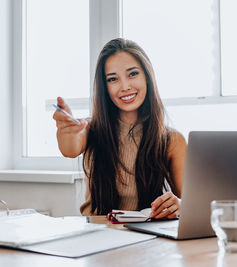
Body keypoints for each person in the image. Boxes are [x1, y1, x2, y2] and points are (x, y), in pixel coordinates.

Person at [53, 38, 186, 219]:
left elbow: (189, 202)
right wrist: (66, 130)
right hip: (96, 235)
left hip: (147, 237)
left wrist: (180, 205)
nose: (125, 87)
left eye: (132, 74)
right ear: (104, 87)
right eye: (113, 79)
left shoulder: (171, 139)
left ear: (147, 77)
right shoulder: (90, 128)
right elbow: (69, 148)